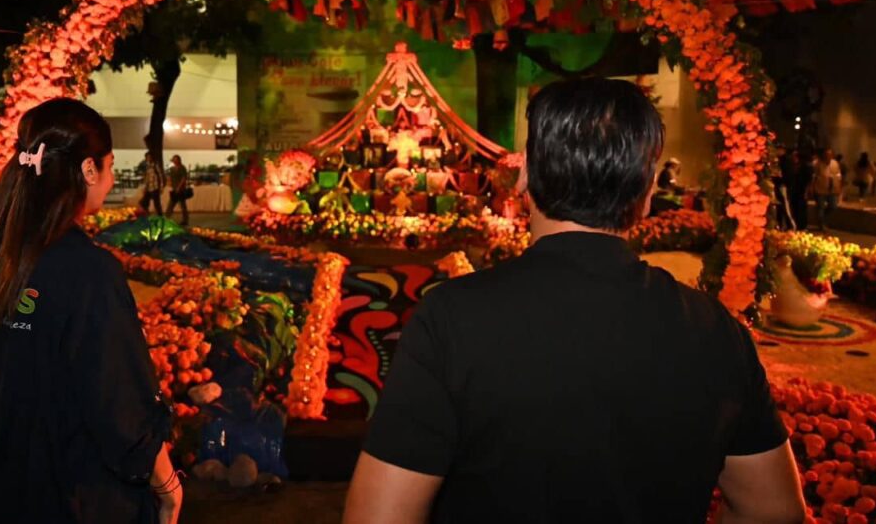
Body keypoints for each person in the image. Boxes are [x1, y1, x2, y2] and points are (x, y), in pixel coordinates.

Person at [345, 78, 805, 524]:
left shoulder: (450, 320)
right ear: (646, 196)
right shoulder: (715, 331)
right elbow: (774, 508)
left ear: (525, 175)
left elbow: (379, 515)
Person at [0, 99, 182, 524]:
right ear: (89, 170)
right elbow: (121, 405)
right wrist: (167, 487)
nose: (109, 179)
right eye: (109, 164)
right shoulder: (88, 273)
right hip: (69, 498)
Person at [812, 148, 842, 231]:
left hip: (833, 190)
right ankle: (821, 224)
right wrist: (811, 188)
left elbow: (839, 176)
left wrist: (839, 186)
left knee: (833, 206)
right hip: (820, 189)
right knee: (820, 207)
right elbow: (813, 177)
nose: (828, 157)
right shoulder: (817, 164)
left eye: (830, 155)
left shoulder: (835, 163)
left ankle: (823, 219)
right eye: (826, 155)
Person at [788, 149, 813, 231]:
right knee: (795, 207)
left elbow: (808, 180)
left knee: (801, 208)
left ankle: (802, 225)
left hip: (801, 190)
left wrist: (807, 191)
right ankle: (797, 224)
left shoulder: (805, 167)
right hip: (795, 190)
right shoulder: (795, 166)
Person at [165, 154, 190, 225]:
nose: (175, 161)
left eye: (176, 159)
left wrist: (179, 187)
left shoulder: (182, 168)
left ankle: (185, 220)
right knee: (171, 205)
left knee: (182, 205)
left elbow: (183, 178)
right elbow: (170, 178)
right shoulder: (172, 169)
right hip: (174, 189)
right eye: (174, 159)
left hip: (181, 189)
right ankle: (167, 218)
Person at [140, 151, 165, 216]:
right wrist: (145, 187)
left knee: (157, 204)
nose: (148, 158)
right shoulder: (147, 166)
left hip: (155, 187)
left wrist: (161, 187)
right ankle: (148, 215)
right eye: (147, 157)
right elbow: (147, 177)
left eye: (150, 157)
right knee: (143, 202)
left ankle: (160, 217)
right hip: (149, 188)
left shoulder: (155, 165)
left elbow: (160, 175)